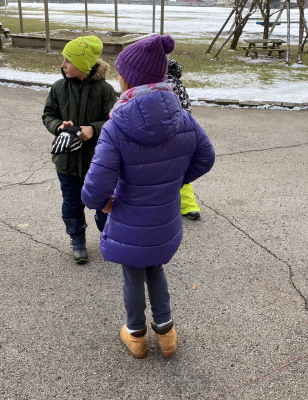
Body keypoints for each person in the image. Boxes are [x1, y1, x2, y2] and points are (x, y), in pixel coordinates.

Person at [81, 34, 215, 358]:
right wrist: (173, 182)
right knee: (156, 269)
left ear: (130, 79)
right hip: (164, 219)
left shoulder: (117, 125)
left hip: (129, 217)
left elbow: (94, 188)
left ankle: (137, 335)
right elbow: (206, 157)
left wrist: (101, 201)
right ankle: (166, 333)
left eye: (119, 73)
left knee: (132, 275)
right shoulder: (183, 117)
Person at [42, 35, 116, 264]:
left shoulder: (105, 90)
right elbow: (48, 114)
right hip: (67, 161)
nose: (63, 65)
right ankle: (77, 240)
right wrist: (58, 126)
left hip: (98, 162)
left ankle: (109, 238)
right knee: (71, 202)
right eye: (63, 60)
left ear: (84, 65)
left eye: (68, 61)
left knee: (104, 201)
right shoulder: (59, 87)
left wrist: (94, 129)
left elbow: (116, 121)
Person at [166, 58, 202, 221]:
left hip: (169, 134)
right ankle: (189, 207)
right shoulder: (179, 84)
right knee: (181, 172)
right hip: (182, 133)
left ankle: (172, 206)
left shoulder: (165, 85)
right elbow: (187, 109)